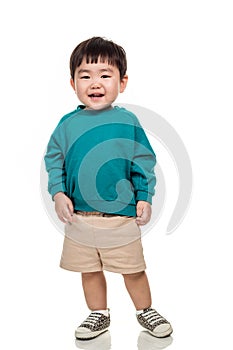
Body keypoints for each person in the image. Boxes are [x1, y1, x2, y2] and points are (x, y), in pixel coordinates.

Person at [44, 36, 173, 340]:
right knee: (88, 269)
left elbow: (143, 161)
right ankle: (98, 313)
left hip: (120, 217)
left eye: (105, 75)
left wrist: (145, 196)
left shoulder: (127, 121)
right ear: (72, 82)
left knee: (133, 269)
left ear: (122, 82)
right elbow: (54, 160)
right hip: (78, 216)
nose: (95, 83)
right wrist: (58, 192)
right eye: (85, 76)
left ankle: (145, 310)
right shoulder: (67, 124)